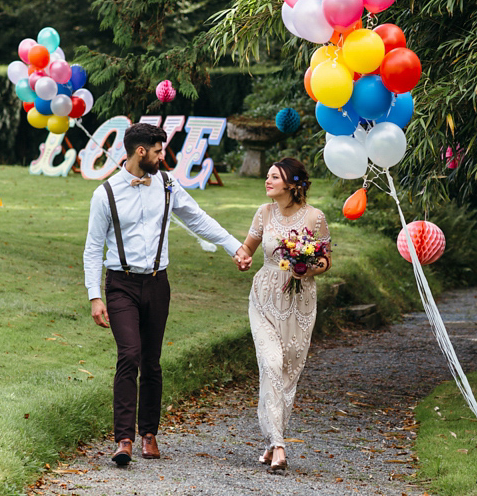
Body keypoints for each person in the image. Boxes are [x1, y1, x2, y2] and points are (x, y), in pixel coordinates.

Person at [84, 122, 245, 466]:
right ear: (140, 151)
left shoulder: (168, 185)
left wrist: (235, 246)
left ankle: (148, 434)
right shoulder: (106, 193)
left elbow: (198, 219)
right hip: (121, 284)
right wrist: (94, 295)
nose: (163, 156)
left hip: (158, 284)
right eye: (158, 151)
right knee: (130, 354)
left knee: (152, 362)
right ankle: (123, 439)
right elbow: (93, 247)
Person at [234, 158, 331, 472]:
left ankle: (270, 439)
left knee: (288, 371)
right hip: (264, 297)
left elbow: (326, 261)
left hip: (300, 301)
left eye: (274, 176)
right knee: (272, 362)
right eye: (267, 176)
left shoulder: (315, 218)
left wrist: (309, 266)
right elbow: (248, 247)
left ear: (291, 183)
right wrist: (242, 256)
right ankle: (278, 446)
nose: (267, 180)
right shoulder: (263, 213)